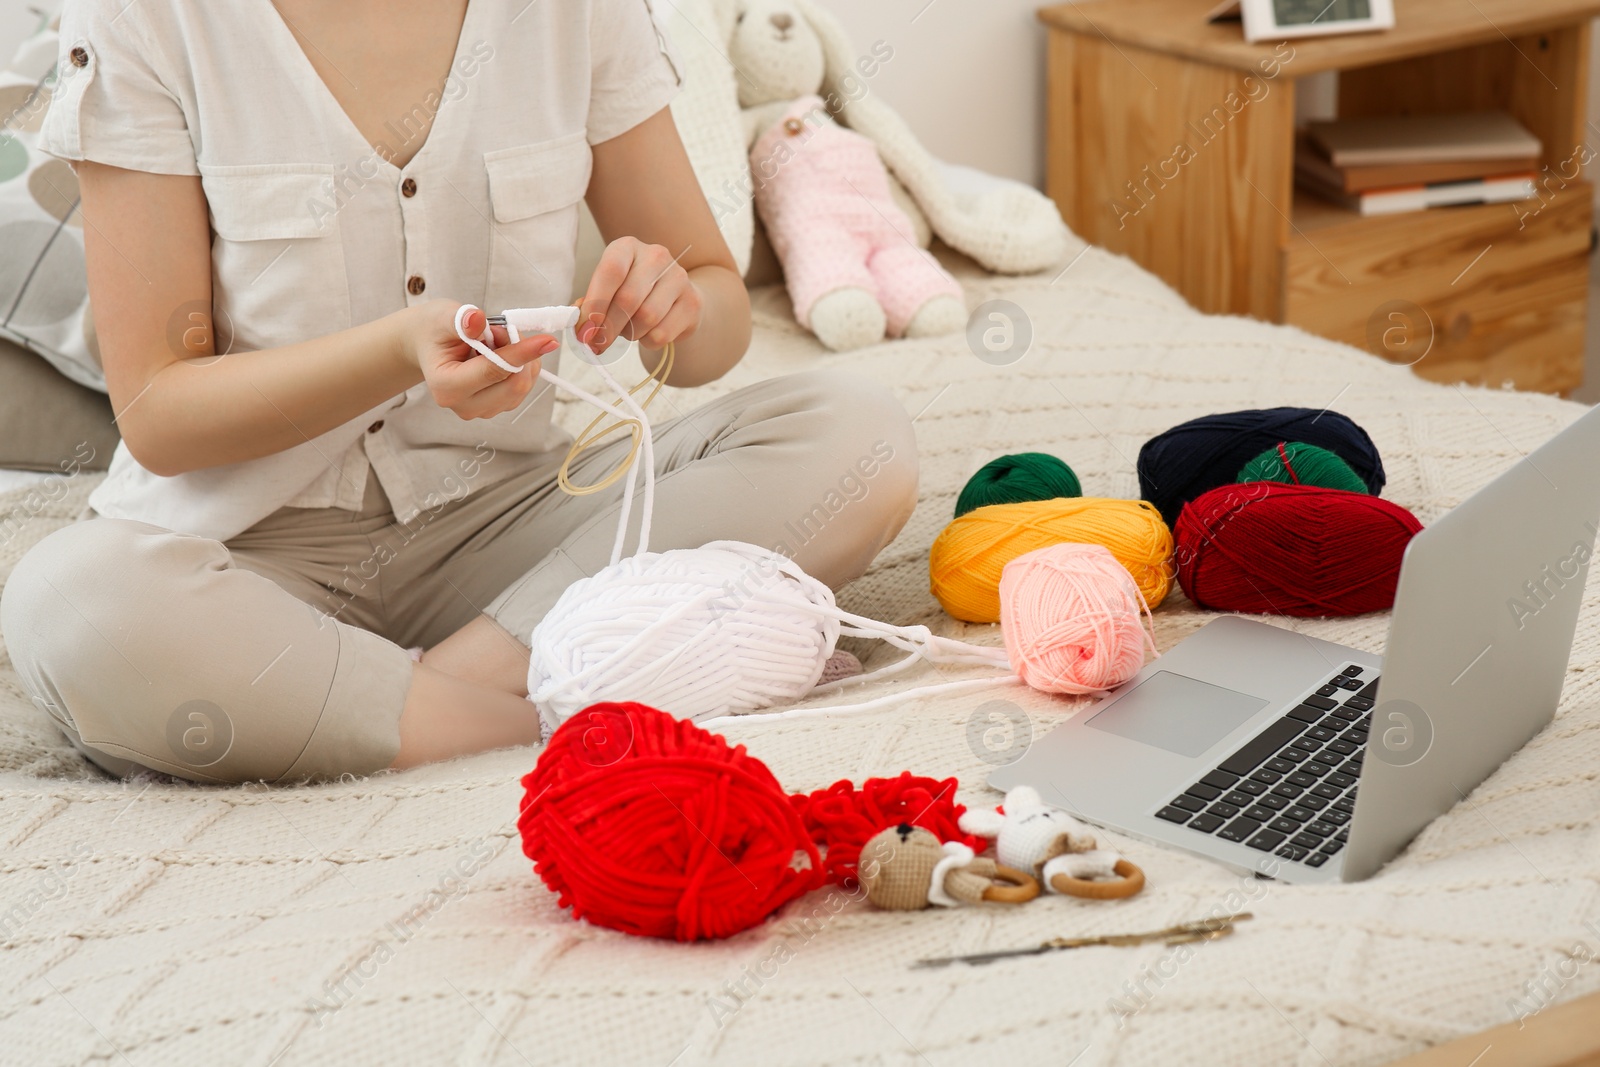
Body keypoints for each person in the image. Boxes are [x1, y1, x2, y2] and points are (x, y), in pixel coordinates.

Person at [0, 0, 918, 784]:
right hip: (246, 559)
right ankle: (540, 714)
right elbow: (160, 413)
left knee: (859, 432)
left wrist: (670, 306)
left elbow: (715, 307)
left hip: (510, 531)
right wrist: (399, 351)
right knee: (70, 604)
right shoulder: (144, 20)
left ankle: (418, 697)